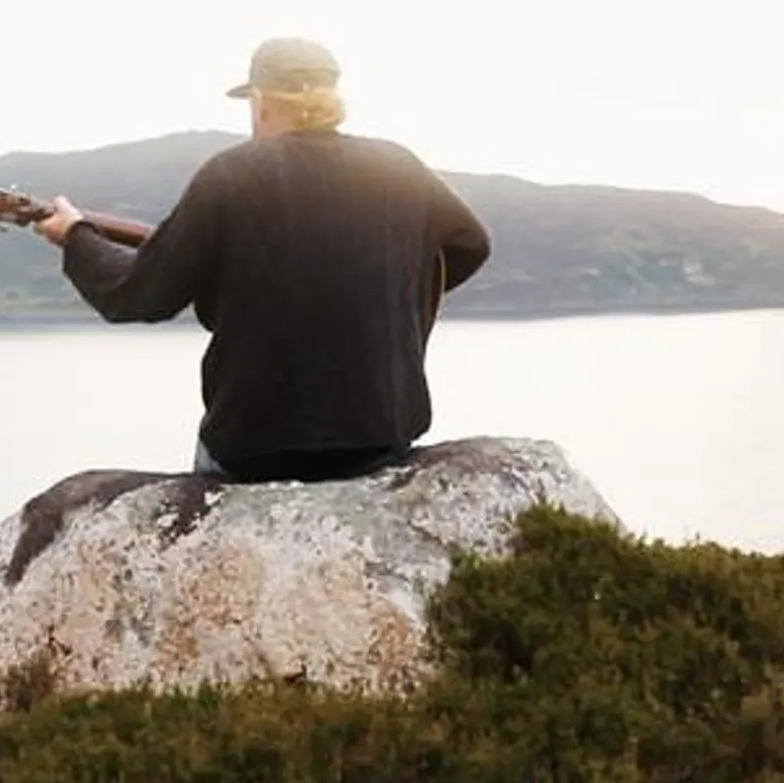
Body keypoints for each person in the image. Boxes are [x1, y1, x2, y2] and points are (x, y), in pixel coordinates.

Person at [34, 37, 491, 482]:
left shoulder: (231, 174)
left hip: (256, 447)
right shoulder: (398, 165)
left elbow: (138, 295)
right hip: (381, 437)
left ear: (260, 102)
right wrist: (387, 293)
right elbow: (471, 245)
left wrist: (75, 236)